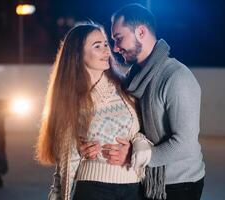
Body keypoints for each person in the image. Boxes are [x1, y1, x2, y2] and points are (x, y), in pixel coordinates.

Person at [80, 4, 205, 200]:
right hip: (146, 179)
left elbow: (185, 144)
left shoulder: (177, 77)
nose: (115, 48)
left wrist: (133, 156)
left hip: (179, 184)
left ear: (140, 32)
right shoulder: (133, 77)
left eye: (119, 38)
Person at [35, 22, 152, 200]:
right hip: (92, 188)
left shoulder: (126, 88)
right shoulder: (70, 98)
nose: (106, 50)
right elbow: (64, 158)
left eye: (105, 44)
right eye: (97, 46)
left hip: (134, 187)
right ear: (77, 55)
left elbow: (142, 130)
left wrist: (140, 143)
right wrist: (78, 149)